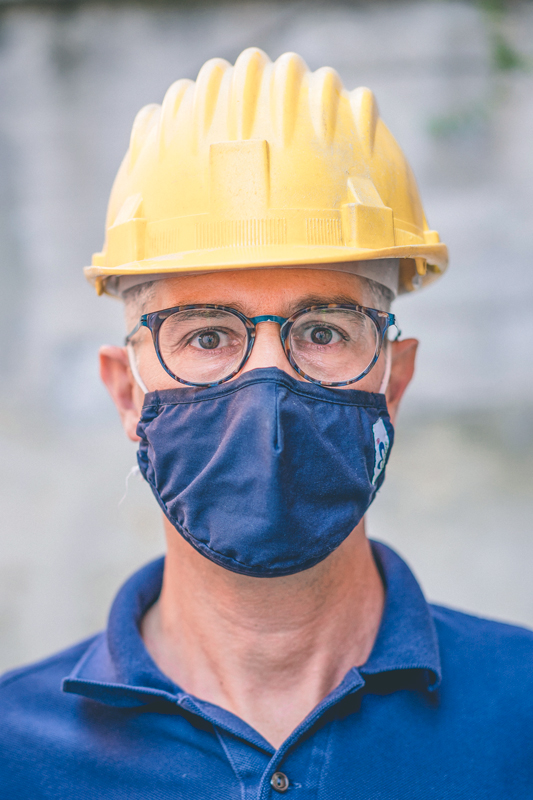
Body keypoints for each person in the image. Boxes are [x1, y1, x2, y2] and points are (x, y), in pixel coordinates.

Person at [1, 48, 532, 798]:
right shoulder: (13, 757)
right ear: (125, 393)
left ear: (395, 380)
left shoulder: (523, 716)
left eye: (321, 330)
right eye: (207, 336)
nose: (268, 385)